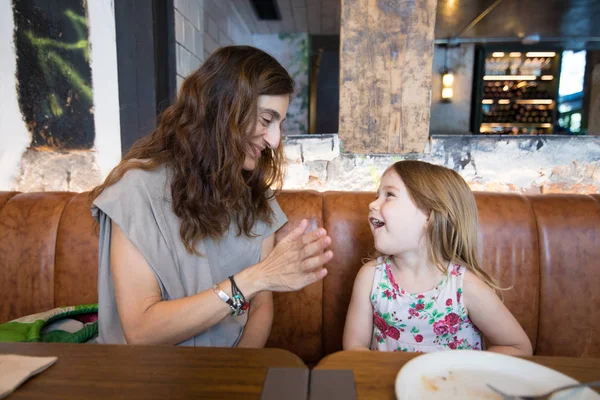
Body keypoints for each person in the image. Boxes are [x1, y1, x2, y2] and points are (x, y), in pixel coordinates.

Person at [89, 46, 333, 347]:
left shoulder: (257, 194)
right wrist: (255, 278)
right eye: (265, 120)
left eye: (279, 124)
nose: (274, 140)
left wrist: (237, 375)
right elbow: (142, 332)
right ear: (224, 110)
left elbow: (260, 308)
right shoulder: (134, 192)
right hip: (145, 376)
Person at [342, 160, 532, 355]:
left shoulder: (465, 286)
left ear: (429, 216)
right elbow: (354, 348)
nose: (372, 204)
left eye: (389, 195)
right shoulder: (370, 277)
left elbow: (519, 347)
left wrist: (467, 371)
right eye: (377, 195)